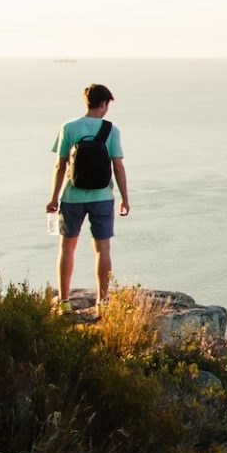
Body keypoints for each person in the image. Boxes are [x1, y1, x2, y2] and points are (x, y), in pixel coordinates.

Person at [46, 83, 130, 316]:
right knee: (102, 249)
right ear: (104, 104)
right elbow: (118, 166)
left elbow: (60, 165)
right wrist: (125, 199)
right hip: (102, 197)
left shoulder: (69, 128)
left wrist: (53, 197)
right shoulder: (111, 131)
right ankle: (102, 302)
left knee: (66, 247)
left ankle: (64, 301)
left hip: (72, 197)